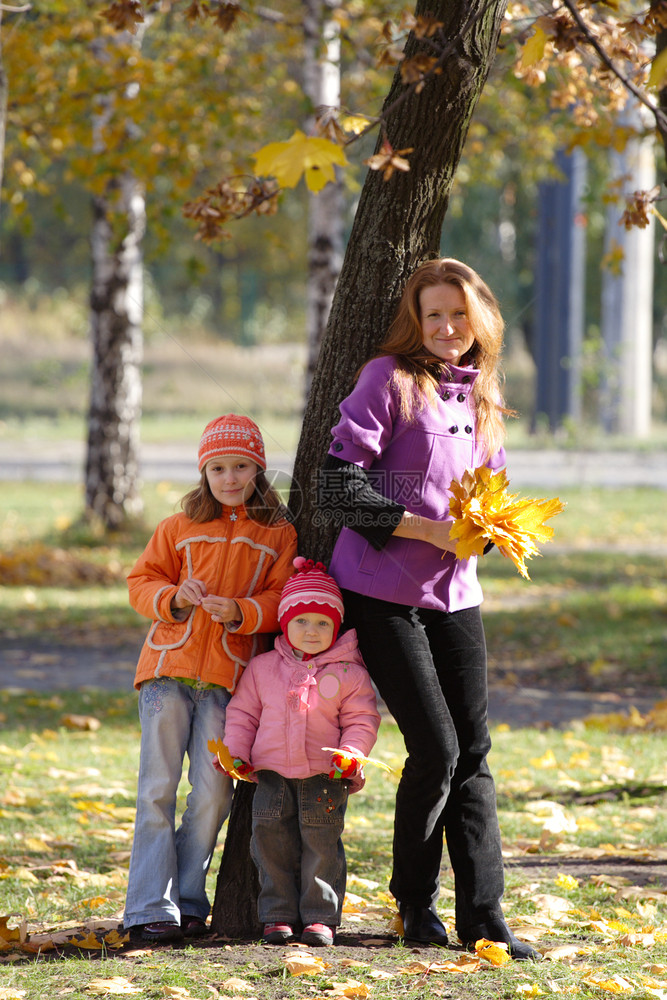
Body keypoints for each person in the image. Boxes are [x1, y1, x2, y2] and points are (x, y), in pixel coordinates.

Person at [317, 257, 541, 961]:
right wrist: (426, 528)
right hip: (379, 591)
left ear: (480, 322)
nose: (446, 328)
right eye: (432, 315)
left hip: (455, 595)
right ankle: (414, 904)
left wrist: (498, 528)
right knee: (437, 751)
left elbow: (486, 493)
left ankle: (486, 918)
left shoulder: (482, 393)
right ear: (415, 323)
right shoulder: (387, 380)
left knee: (473, 754)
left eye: (457, 315)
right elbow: (334, 488)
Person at [122, 414, 297, 943]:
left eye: (240, 466)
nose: (229, 477)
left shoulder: (278, 532)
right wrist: (173, 598)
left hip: (228, 681)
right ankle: (150, 908)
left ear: (258, 469)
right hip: (165, 673)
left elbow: (281, 599)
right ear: (204, 471)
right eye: (217, 467)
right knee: (157, 789)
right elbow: (141, 582)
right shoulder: (178, 527)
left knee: (214, 793)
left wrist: (242, 610)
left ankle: (189, 899)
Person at [219, 557, 381, 947]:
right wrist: (235, 753)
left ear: (336, 626)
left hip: (326, 776)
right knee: (270, 841)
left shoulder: (349, 673)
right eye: (301, 622)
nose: (311, 631)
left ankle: (321, 917)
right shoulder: (262, 669)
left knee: (322, 845)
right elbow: (242, 714)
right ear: (285, 623)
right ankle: (276, 915)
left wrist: (351, 753)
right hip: (270, 773)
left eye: (323, 623)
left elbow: (362, 720)